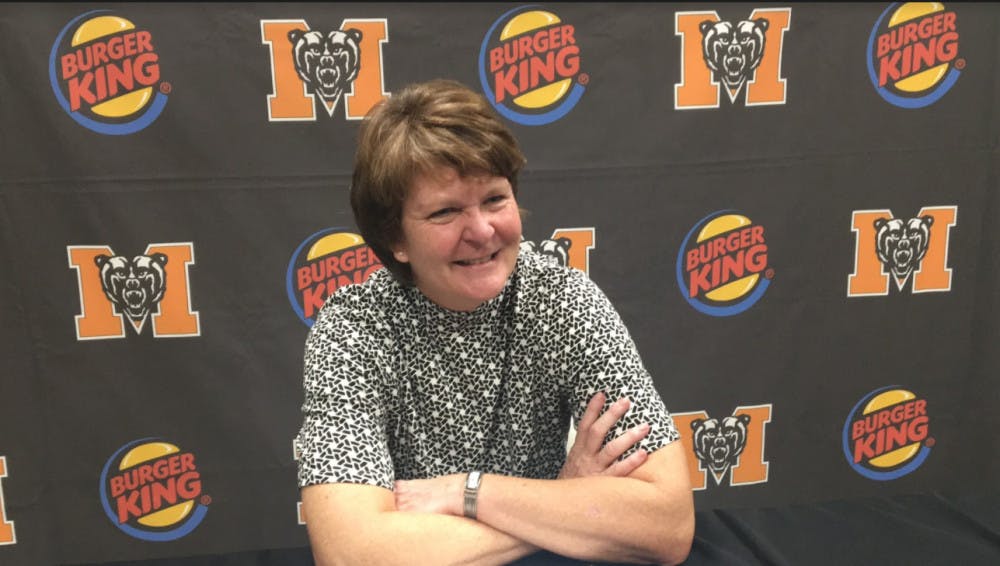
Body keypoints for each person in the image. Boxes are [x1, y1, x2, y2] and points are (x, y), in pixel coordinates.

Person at [295, 79, 694, 565]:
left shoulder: (562, 299)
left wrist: (467, 491)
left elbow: (669, 524)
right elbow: (352, 556)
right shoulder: (353, 330)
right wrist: (563, 500)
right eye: (445, 212)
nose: (482, 230)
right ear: (395, 239)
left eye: (494, 199)